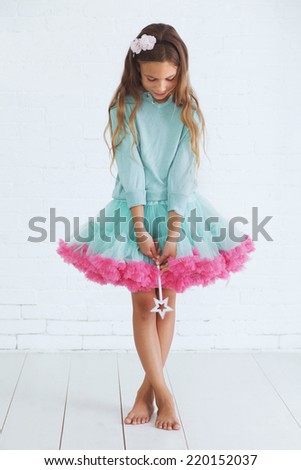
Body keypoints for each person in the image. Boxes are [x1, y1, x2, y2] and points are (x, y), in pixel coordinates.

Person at [57, 23, 255, 431]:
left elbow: (184, 174)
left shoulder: (188, 110)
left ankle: (145, 393)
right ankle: (166, 397)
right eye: (152, 78)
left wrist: (176, 233)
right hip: (134, 212)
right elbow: (131, 172)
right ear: (136, 70)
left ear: (181, 71)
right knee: (145, 304)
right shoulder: (124, 108)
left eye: (170, 77)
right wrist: (141, 230)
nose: (161, 86)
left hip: (181, 214)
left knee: (170, 303)